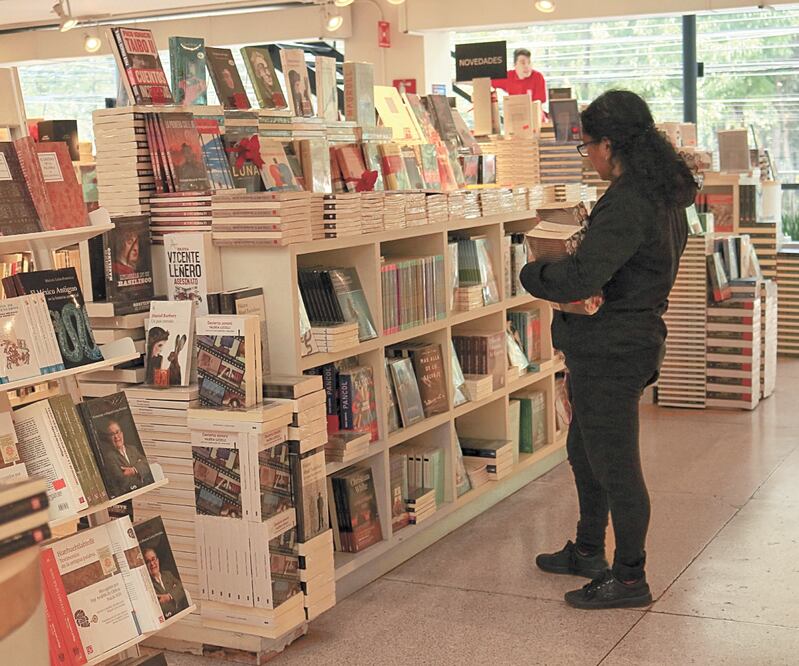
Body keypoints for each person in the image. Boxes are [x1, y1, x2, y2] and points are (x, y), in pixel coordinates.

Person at [519, 90, 697, 610]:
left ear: (611, 144)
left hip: (611, 349)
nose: (587, 155)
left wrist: (533, 272)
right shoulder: (661, 192)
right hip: (624, 340)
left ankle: (629, 577)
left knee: (616, 465)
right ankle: (589, 549)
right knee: (585, 450)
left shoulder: (629, 200)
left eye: (588, 145)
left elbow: (583, 275)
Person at [101, 417, 154, 496]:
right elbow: (121, 480)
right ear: (109, 438)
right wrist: (140, 469)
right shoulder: (109, 457)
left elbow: (147, 463)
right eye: (112, 434)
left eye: (117, 432)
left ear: (122, 433)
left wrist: (133, 470)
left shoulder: (132, 449)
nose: (116, 437)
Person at [143, 547, 188, 618]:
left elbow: (182, 586)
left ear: (157, 560)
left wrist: (169, 597)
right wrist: (176, 592)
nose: (152, 563)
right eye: (148, 561)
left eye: (153, 559)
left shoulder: (168, 574)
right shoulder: (147, 585)